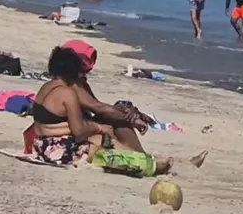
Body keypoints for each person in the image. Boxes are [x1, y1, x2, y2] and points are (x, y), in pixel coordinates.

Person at [31, 47, 176, 174]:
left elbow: (53, 124)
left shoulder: (46, 88)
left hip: (41, 146)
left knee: (109, 142)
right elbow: (79, 130)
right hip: (59, 149)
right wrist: (100, 127)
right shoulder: (67, 93)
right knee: (112, 156)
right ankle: (149, 164)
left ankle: (147, 160)